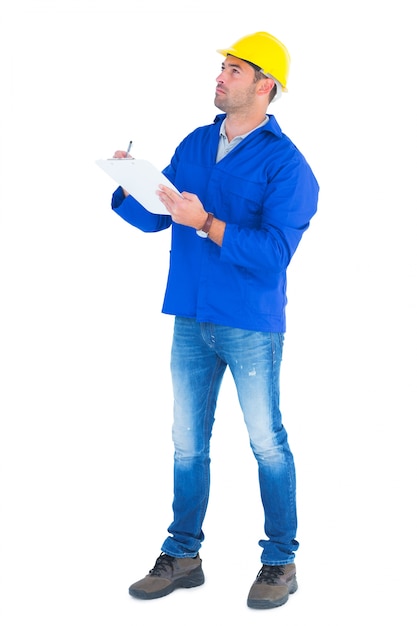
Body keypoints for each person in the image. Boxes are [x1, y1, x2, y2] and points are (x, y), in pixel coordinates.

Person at [110, 31, 319, 610]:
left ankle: (280, 561)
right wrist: (129, 185)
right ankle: (183, 555)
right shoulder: (197, 144)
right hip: (190, 314)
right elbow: (159, 219)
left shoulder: (288, 164)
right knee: (186, 443)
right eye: (223, 67)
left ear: (264, 86)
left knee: (266, 442)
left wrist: (207, 223)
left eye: (234, 69)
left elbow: (274, 252)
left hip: (249, 324)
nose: (221, 76)